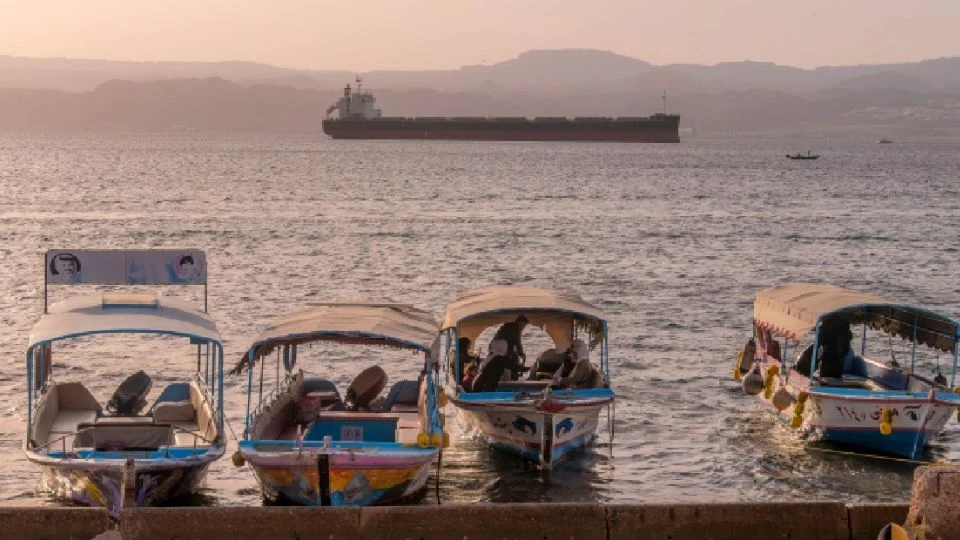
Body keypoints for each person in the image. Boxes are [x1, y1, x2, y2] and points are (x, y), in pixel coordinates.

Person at [488, 314, 529, 380]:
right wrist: (522, 354)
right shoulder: (515, 329)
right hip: (501, 349)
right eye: (522, 325)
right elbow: (518, 343)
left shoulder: (506, 326)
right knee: (513, 359)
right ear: (518, 323)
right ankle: (514, 378)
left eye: (524, 326)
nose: (522, 328)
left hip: (492, 348)